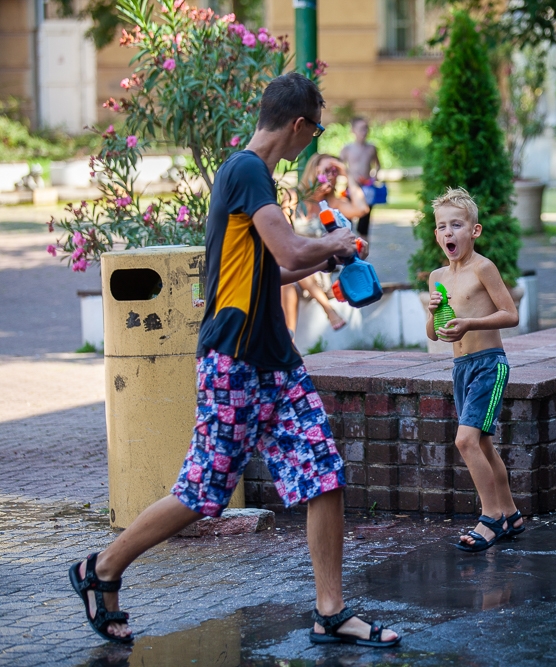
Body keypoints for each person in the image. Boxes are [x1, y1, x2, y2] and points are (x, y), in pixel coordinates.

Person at [68, 72, 399, 648]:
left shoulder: (255, 177)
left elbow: (277, 266)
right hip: (234, 358)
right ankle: (101, 568)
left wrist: (323, 262)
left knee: (323, 476)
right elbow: (291, 246)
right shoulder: (246, 170)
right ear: (299, 124)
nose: (313, 141)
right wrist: (335, 243)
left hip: (275, 361)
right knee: (203, 492)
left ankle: (330, 613)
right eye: (316, 131)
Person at [425, 187, 523, 552]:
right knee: (482, 443)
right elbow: (433, 333)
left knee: (465, 441)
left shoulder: (483, 268)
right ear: (436, 234)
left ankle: (491, 517)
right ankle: (511, 514)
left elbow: (511, 314)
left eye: (456, 225)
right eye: (442, 227)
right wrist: (433, 312)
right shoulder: (437, 276)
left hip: (489, 365)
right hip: (461, 367)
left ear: (474, 230)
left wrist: (470, 324)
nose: (448, 232)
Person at [281, 153, 371, 339]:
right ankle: (293, 338)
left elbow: (362, 208)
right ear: (314, 171)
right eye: (326, 170)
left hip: (322, 270)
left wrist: (347, 173)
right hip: (297, 264)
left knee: (297, 265)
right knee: (288, 281)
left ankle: (291, 342)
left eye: (335, 172)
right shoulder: (293, 196)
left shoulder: (333, 204)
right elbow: (284, 235)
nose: (331, 175)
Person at [340, 117, 381, 241]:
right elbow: (339, 166)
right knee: (347, 222)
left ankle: (363, 249)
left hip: (366, 188)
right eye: (361, 129)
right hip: (351, 187)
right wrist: (348, 177)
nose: (364, 132)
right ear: (353, 130)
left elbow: (378, 165)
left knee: (364, 224)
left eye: (366, 128)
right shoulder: (347, 149)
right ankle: (348, 248)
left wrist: (374, 176)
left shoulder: (371, 148)